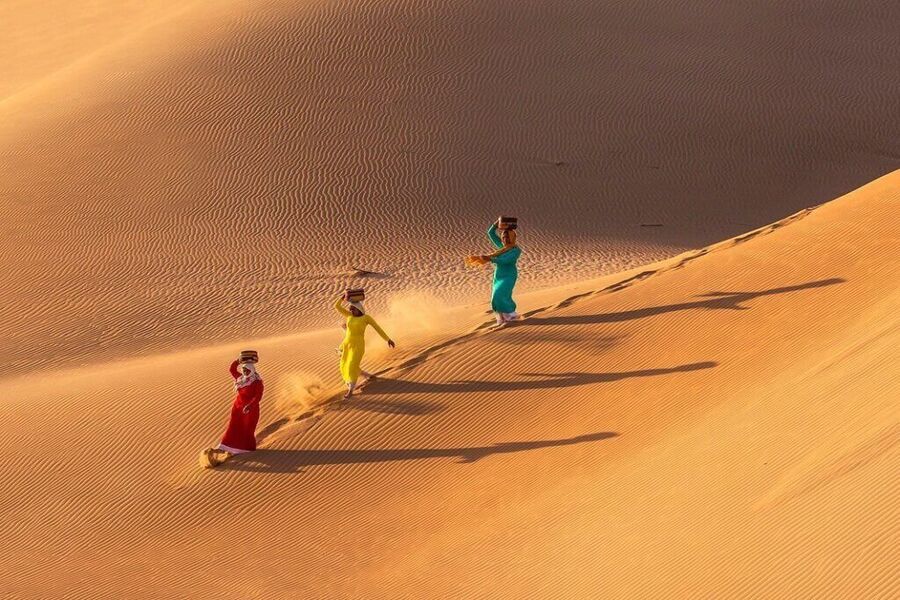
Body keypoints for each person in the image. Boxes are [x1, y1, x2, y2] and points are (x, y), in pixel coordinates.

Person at [201, 356, 264, 468]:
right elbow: (232, 369)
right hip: (238, 408)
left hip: (250, 410)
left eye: (247, 370)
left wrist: (250, 406)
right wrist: (238, 361)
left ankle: (245, 448)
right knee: (234, 426)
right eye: (243, 369)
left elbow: (258, 397)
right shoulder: (241, 378)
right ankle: (226, 446)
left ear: (252, 370)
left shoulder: (257, 382)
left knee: (247, 428)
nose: (244, 371)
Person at [335, 295, 395, 399]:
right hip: (347, 344)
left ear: (359, 309)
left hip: (358, 345)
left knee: (352, 365)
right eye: (351, 309)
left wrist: (387, 339)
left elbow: (378, 328)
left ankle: (350, 390)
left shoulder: (366, 318)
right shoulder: (349, 316)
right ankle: (368, 376)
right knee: (344, 364)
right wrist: (342, 297)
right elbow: (337, 307)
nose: (351, 311)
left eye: (353, 309)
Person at [466, 221, 522, 326]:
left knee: (499, 294)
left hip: (509, 276)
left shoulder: (516, 250)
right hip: (499, 275)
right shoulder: (502, 248)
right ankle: (502, 319)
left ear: (512, 237)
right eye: (503, 236)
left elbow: (506, 260)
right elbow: (490, 233)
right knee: (495, 298)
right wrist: (496, 224)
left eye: (507, 236)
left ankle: (512, 315)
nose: (505, 239)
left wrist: (490, 259)